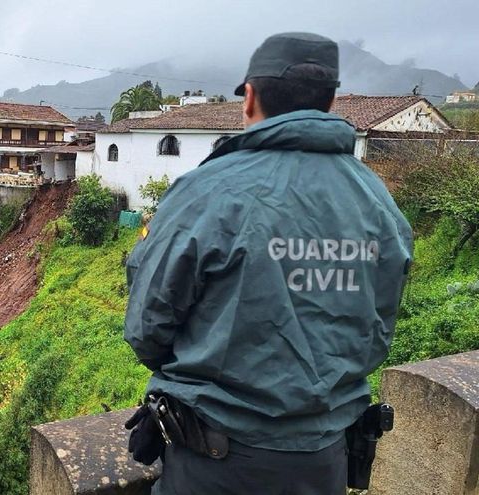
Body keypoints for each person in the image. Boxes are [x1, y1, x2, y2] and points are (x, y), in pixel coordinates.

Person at [123, 32, 413, 495]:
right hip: (325, 461)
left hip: (213, 464)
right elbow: (378, 325)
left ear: (250, 97)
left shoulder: (207, 191)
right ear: (332, 100)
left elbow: (146, 327)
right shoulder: (378, 201)